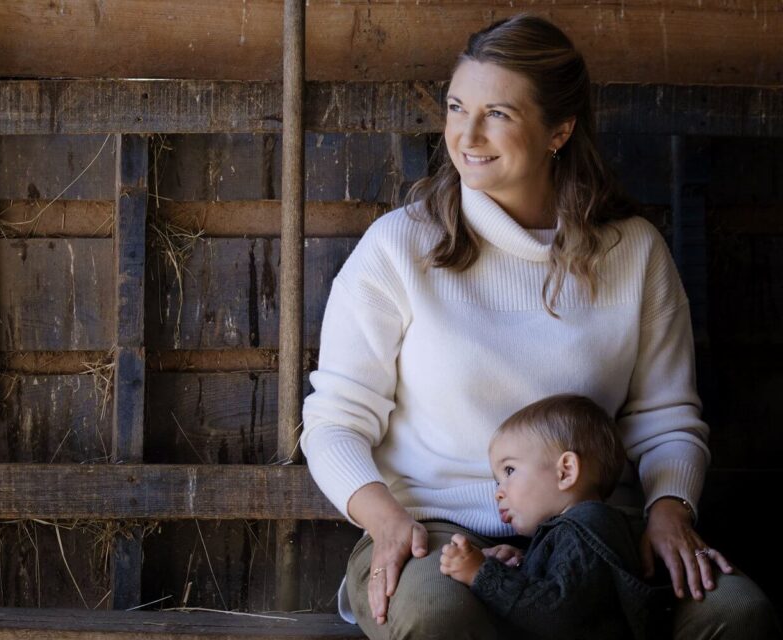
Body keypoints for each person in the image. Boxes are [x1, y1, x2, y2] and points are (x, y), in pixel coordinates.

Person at [299, 13, 780, 640]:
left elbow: (667, 419)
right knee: (441, 622)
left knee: (739, 618)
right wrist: (386, 521)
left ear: (560, 129)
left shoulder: (633, 253)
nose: (466, 134)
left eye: (497, 113)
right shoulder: (398, 247)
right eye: (455, 106)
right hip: (437, 535)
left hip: (592, 532)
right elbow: (333, 421)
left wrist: (669, 511)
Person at [439, 394, 652, 640]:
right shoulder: (572, 530)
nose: (498, 492)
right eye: (498, 480)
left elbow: (557, 616)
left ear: (566, 472)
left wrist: (482, 574)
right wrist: (519, 565)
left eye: (509, 471)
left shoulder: (584, 532)